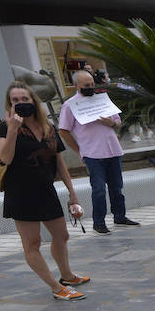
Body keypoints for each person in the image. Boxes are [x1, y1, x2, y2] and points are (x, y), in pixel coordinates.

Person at [0, 80, 89, 300]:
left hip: (46, 190)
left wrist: (72, 192)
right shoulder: (4, 128)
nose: (20, 103)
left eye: (24, 99)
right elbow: (5, 158)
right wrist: (14, 130)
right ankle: (56, 287)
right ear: (10, 104)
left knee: (62, 235)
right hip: (21, 193)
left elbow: (59, 162)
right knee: (32, 243)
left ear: (33, 101)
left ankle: (66, 275)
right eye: (15, 100)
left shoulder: (47, 127)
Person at [59, 70, 138, 234]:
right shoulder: (71, 105)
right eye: (86, 85)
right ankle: (99, 222)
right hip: (92, 153)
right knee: (99, 189)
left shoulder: (102, 99)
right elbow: (63, 130)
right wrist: (78, 149)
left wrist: (111, 123)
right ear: (76, 86)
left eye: (92, 84)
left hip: (112, 150)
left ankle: (120, 216)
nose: (90, 87)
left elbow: (118, 123)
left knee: (117, 187)